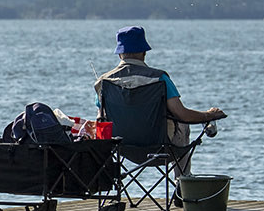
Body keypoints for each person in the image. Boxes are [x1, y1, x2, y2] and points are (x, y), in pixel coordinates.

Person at [94, 26, 225, 176]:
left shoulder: (103, 83)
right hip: (161, 146)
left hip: (122, 147)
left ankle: (111, 184)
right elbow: (183, 114)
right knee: (181, 123)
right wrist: (209, 115)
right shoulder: (159, 79)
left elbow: (100, 119)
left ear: (119, 54)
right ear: (144, 52)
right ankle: (182, 180)